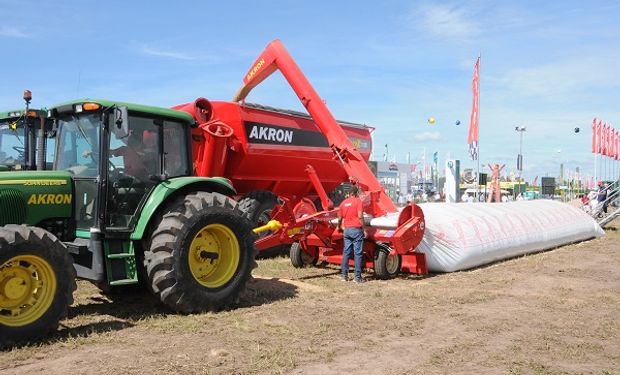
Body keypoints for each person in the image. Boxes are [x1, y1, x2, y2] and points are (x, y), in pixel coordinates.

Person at [337, 185, 365, 283]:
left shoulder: (343, 203)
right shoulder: (358, 202)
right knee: (358, 254)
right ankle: (357, 278)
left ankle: (344, 276)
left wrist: (339, 227)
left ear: (349, 193)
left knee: (346, 252)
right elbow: (360, 216)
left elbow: (340, 218)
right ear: (356, 193)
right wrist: (364, 229)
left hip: (347, 230)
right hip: (356, 230)